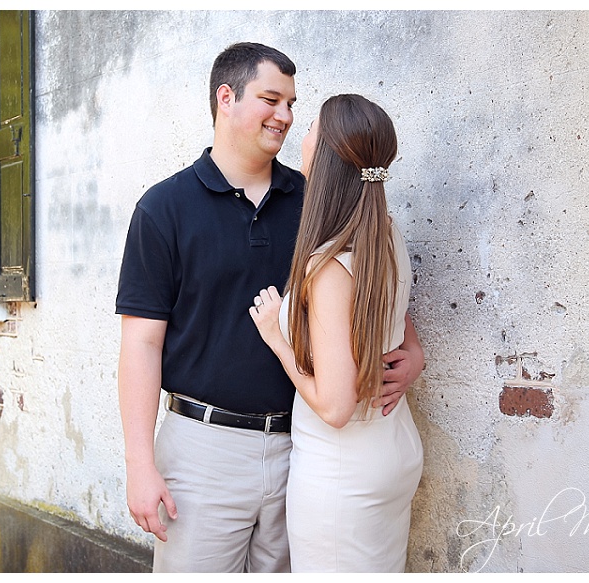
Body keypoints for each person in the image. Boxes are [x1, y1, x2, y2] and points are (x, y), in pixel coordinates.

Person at [116, 43, 424, 573]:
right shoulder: (164, 209)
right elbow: (141, 344)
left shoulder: (318, 198)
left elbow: (370, 280)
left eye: (292, 104)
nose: (284, 115)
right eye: (271, 99)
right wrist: (140, 464)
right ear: (226, 98)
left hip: (302, 451)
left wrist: (411, 352)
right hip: (203, 453)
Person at [249, 94, 424, 572]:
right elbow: (399, 327)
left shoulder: (328, 266)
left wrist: (277, 338)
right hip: (393, 450)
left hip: (341, 474)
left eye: (309, 128)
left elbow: (335, 405)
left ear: (323, 153)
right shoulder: (385, 232)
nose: (299, 135)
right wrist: (415, 358)